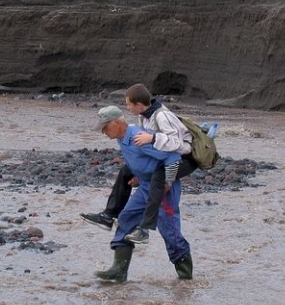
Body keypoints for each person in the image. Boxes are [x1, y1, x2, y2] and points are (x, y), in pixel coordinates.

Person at [81, 83, 198, 244]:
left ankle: (145, 229)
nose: (127, 107)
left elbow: (176, 145)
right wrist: (139, 174)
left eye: (128, 104)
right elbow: (144, 152)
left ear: (138, 104)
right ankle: (109, 215)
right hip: (163, 156)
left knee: (159, 179)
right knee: (125, 171)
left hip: (184, 157)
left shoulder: (162, 116)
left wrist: (153, 139)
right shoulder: (143, 117)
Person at [92, 106, 193, 283]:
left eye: (105, 127)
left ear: (118, 123)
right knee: (126, 218)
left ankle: (185, 279)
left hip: (162, 189)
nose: (103, 132)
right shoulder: (122, 138)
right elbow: (140, 161)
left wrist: (168, 182)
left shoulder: (138, 137)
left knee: (169, 231)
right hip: (146, 185)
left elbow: (172, 158)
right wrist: (138, 176)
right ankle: (119, 270)